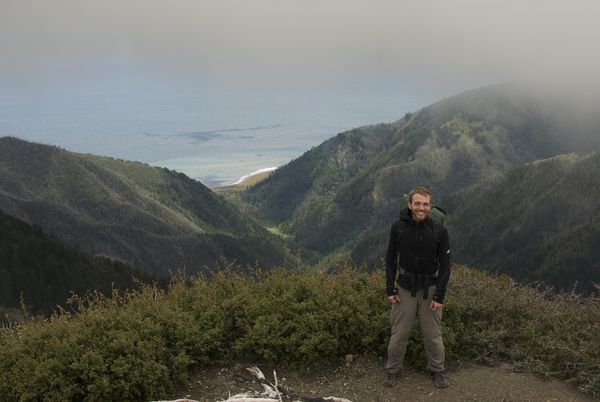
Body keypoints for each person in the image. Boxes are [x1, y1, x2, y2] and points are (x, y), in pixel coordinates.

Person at [383, 186, 451, 389]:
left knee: (433, 335)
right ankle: (392, 370)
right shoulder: (398, 228)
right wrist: (390, 288)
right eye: (417, 203)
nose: (421, 208)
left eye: (425, 204)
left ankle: (437, 370)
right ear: (410, 204)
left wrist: (440, 295)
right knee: (399, 334)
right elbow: (390, 258)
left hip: (430, 288)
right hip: (404, 287)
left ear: (430, 206)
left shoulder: (439, 229)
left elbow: (446, 264)